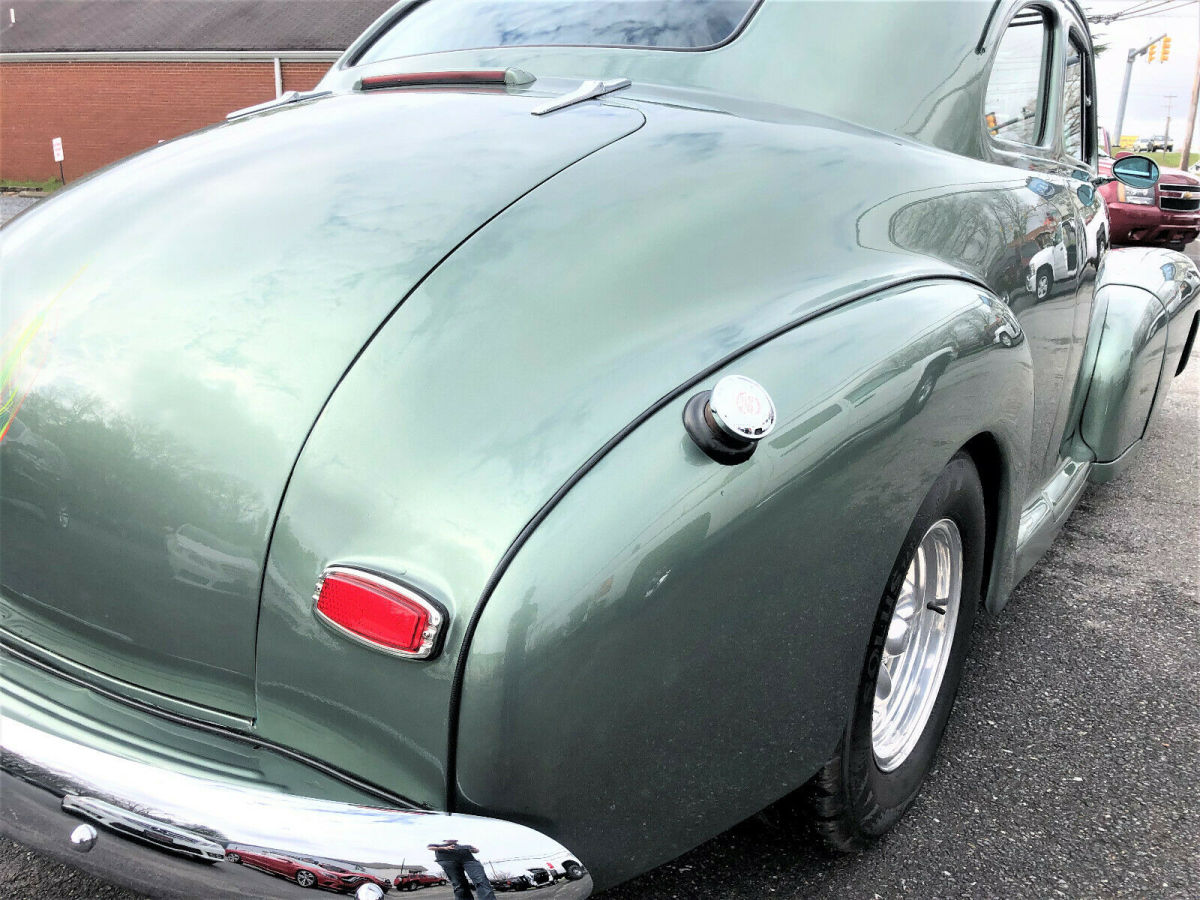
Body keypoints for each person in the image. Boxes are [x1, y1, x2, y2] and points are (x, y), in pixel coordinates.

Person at [427, 839, 497, 900]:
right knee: (459, 884)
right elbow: (429, 847)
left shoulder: (466, 846)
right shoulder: (439, 845)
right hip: (448, 861)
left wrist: (474, 850)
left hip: (469, 861)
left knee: (481, 880)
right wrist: (445, 848)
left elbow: (476, 850)